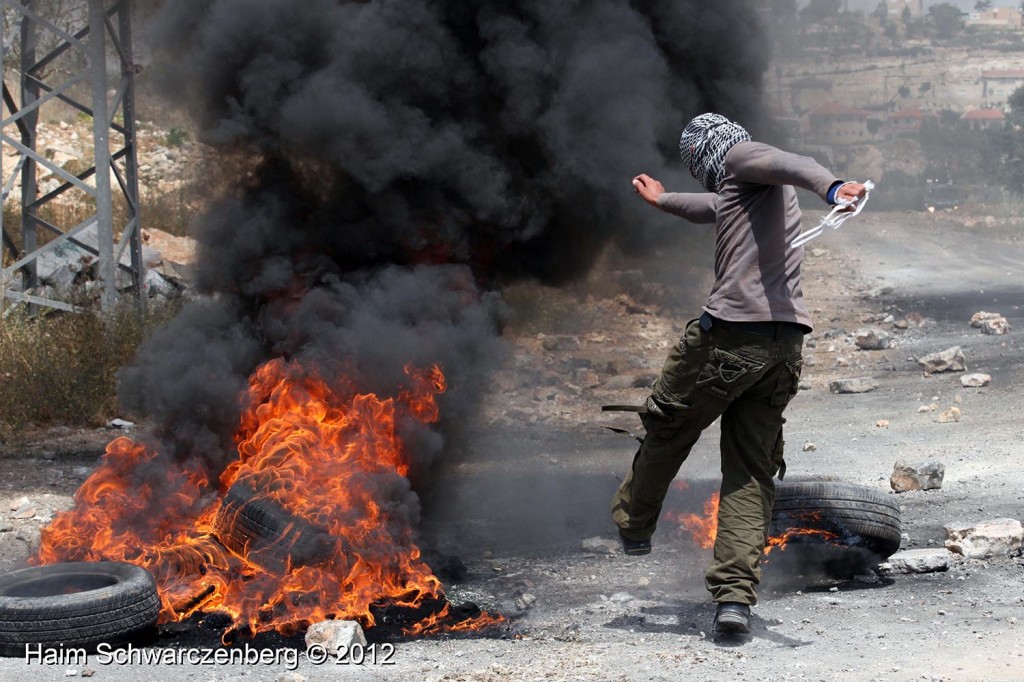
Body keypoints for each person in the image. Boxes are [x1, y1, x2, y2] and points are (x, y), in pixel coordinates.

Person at [610, 112, 867, 635]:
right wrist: (661, 200)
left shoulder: (739, 155)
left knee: (668, 428)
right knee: (750, 472)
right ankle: (733, 601)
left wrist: (834, 186)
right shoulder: (752, 198)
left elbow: (789, 162)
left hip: (729, 338)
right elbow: (707, 207)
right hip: (784, 348)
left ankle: (634, 526)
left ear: (711, 154)